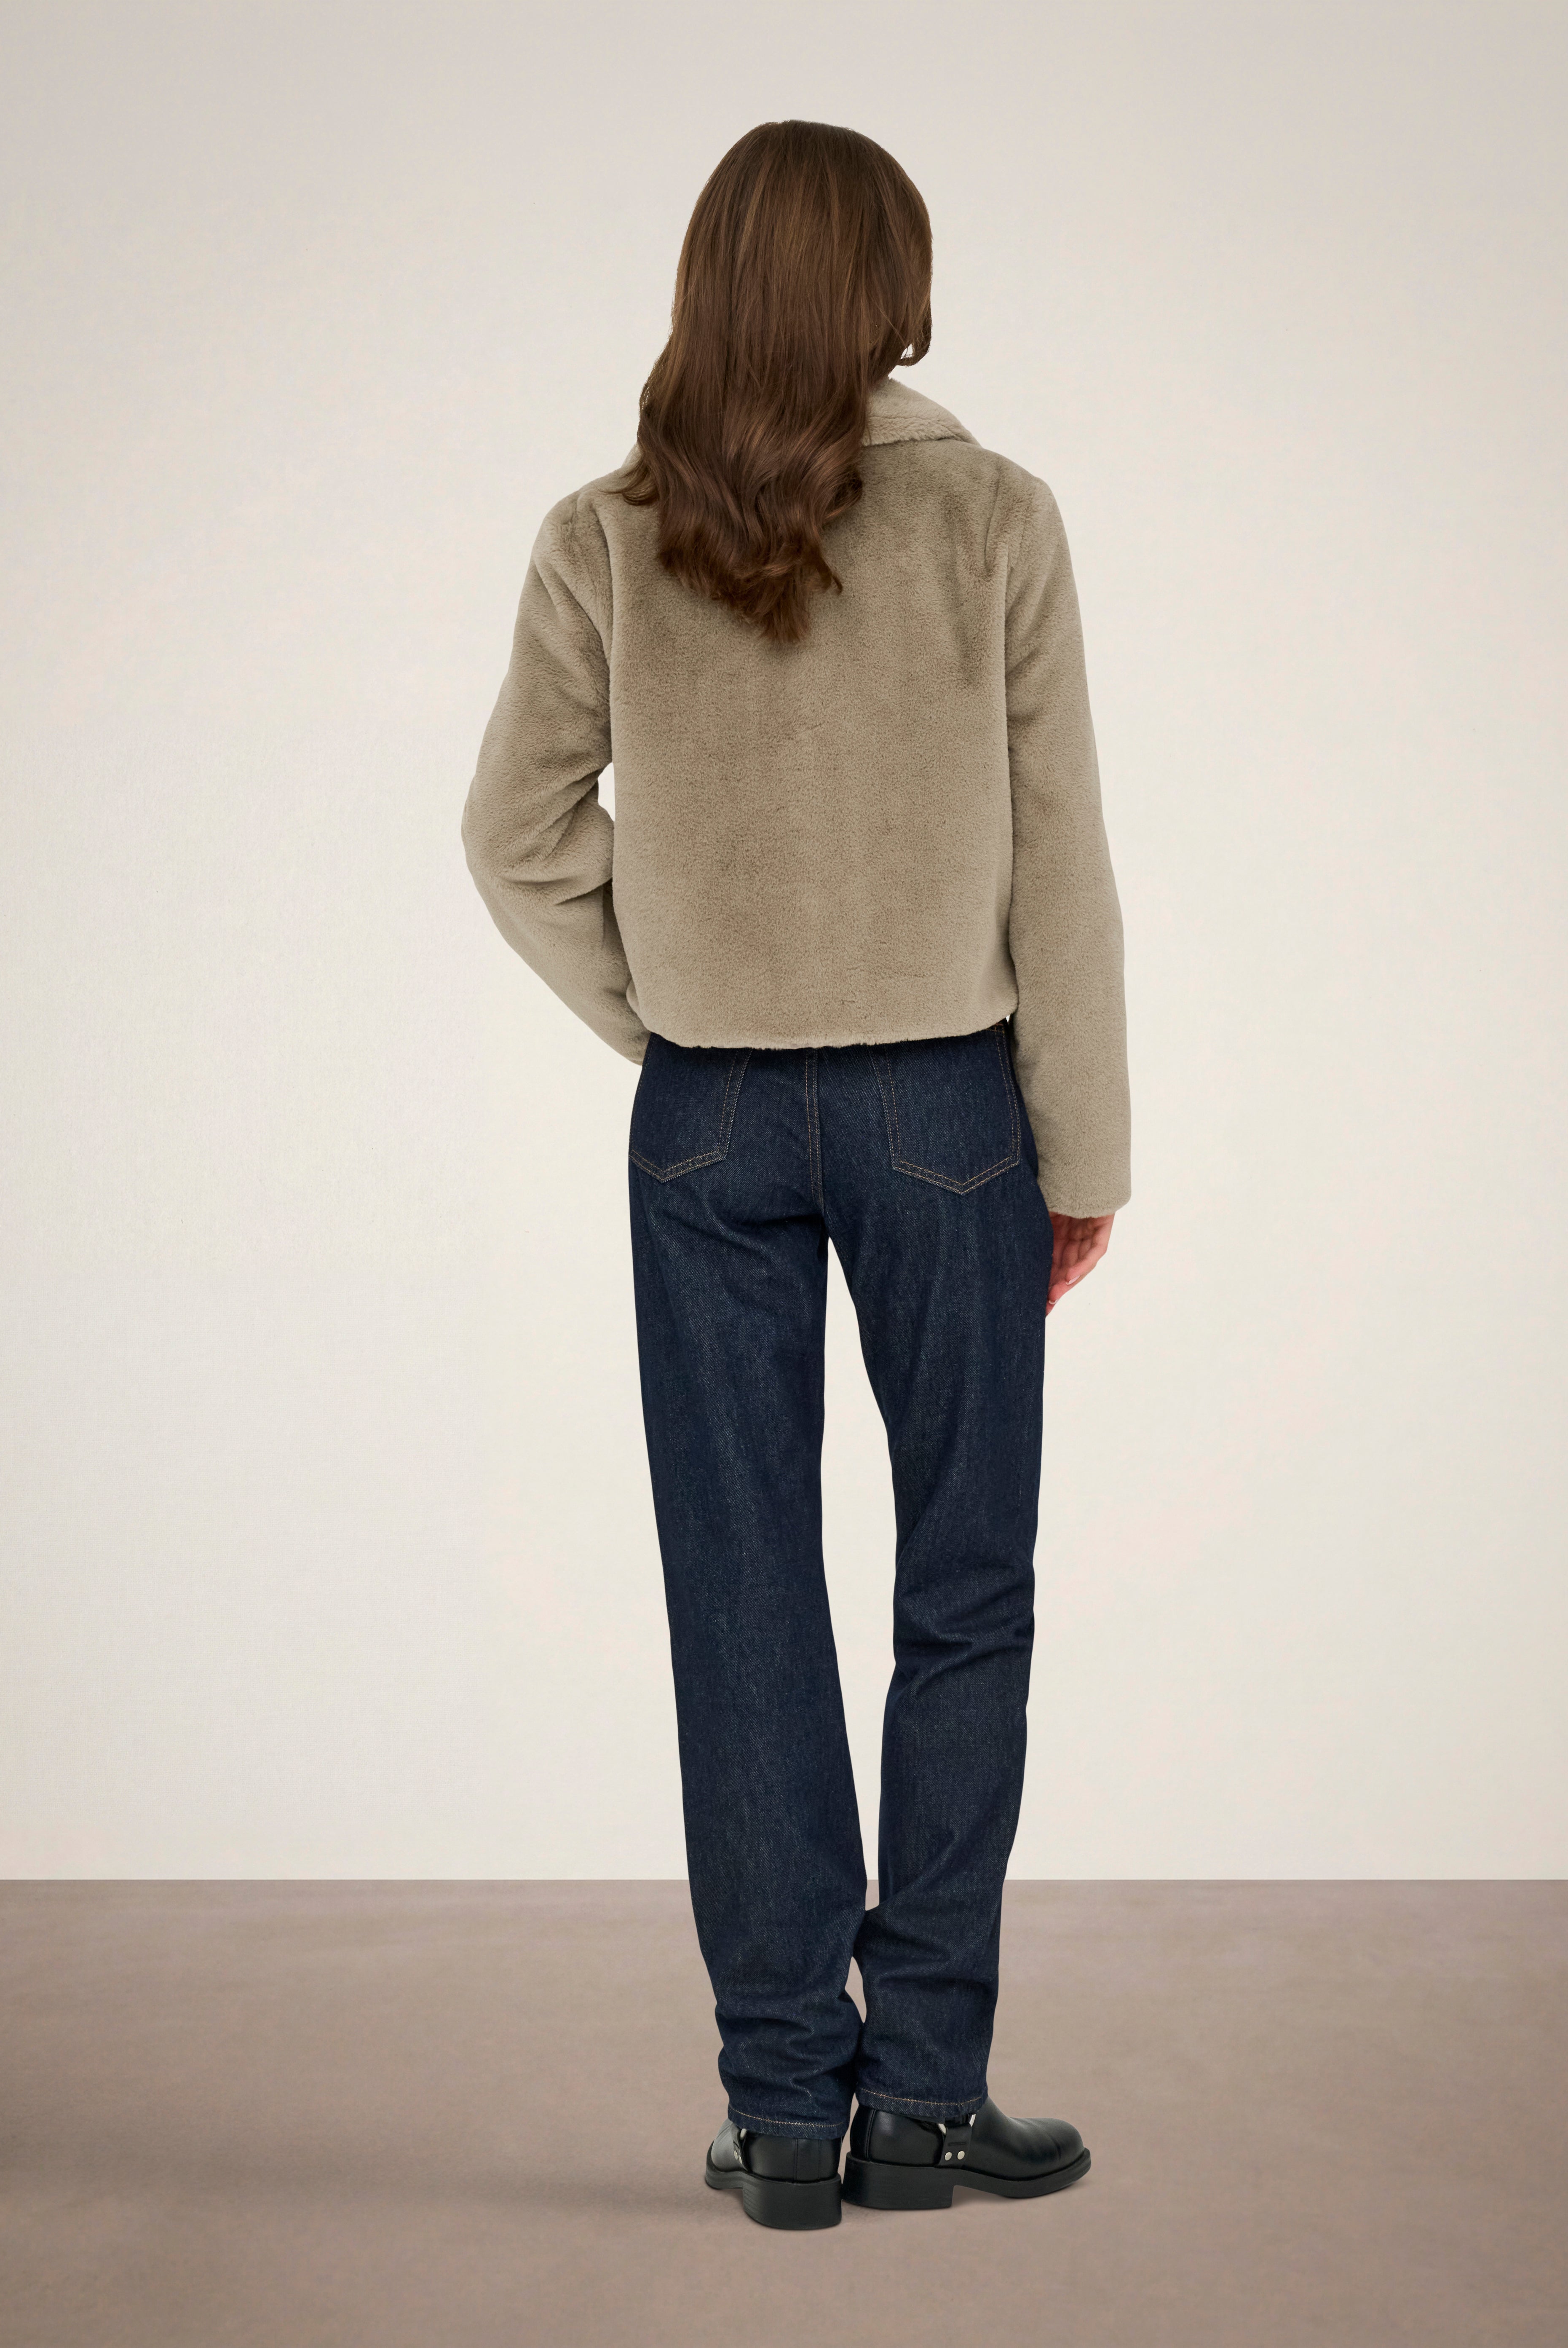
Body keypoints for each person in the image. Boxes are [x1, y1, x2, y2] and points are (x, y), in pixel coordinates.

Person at [460, 118, 1130, 2230]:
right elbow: (1060, 860)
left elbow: (513, 833)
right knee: (965, 1585)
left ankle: (780, 2113)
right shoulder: (995, 519)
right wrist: (1084, 1147)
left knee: (739, 1590)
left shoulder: (605, 532)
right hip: (949, 1111)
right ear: (894, 292)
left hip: (712, 1116)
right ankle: (921, 2090)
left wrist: (667, 1012)